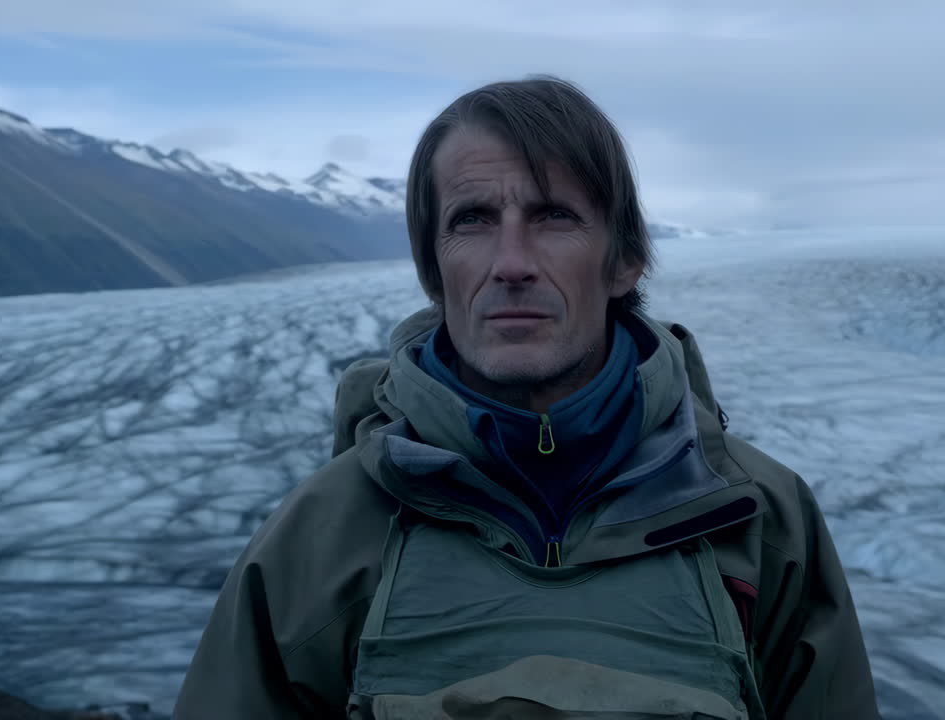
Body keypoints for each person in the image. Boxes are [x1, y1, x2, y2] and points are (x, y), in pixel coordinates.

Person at [175, 75, 880, 719]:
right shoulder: (319, 539)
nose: (511, 264)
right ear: (434, 269)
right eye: (472, 220)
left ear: (624, 261)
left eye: (554, 216)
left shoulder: (761, 522)